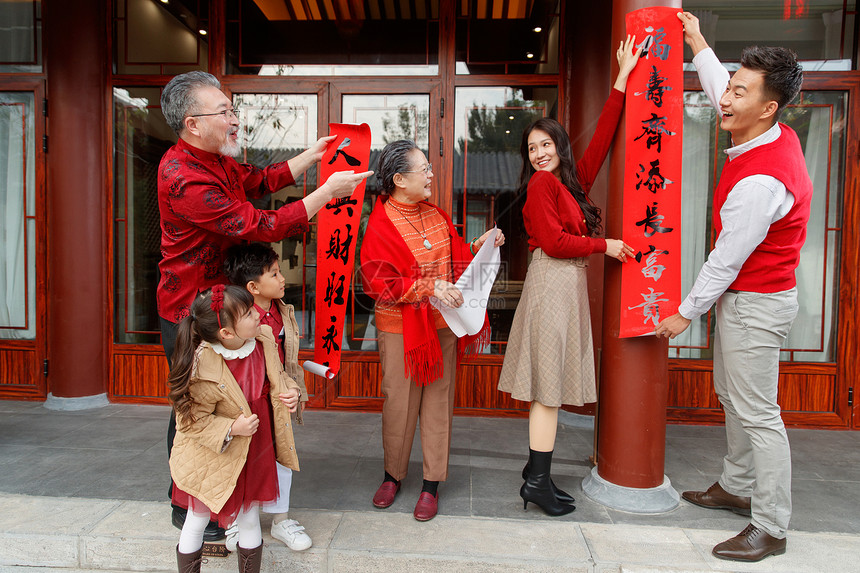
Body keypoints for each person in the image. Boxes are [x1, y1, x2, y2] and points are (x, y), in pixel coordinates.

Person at [157, 70, 371, 538]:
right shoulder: (183, 177)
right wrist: (328, 192)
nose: (235, 119)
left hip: (228, 304)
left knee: (233, 402)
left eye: (233, 109)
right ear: (193, 123)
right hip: (191, 310)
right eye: (225, 111)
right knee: (193, 410)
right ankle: (188, 505)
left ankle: (224, 498)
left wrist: (312, 157)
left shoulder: (217, 158)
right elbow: (260, 224)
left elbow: (261, 179)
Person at [654, 13, 810, 563]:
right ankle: (737, 486)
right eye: (733, 86)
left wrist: (683, 313)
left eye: (741, 93)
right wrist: (698, 42)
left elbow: (725, 261)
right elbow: (722, 87)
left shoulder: (761, 181)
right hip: (746, 301)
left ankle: (770, 524)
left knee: (758, 412)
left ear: (767, 107)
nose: (726, 99)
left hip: (755, 304)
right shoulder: (763, 127)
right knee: (734, 399)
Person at [496, 36, 641, 516]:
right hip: (553, 280)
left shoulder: (566, 183)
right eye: (531, 148)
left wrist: (620, 80)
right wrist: (607, 245)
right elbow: (556, 243)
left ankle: (536, 476)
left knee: (550, 388)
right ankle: (537, 482)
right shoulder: (541, 184)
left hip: (564, 283)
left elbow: (599, 140)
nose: (538, 154)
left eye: (545, 144)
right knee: (548, 390)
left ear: (558, 144)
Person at [359, 140, 505, 521]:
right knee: (399, 405)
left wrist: (481, 244)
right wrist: (427, 286)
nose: (431, 175)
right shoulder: (380, 223)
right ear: (399, 179)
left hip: (442, 326)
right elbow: (378, 281)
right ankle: (393, 475)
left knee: (438, 404)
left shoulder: (436, 215)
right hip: (401, 330)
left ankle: (431, 484)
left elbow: (456, 258)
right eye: (423, 169)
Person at [168, 285, 301, 573]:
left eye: (254, 309)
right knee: (198, 517)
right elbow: (191, 419)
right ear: (227, 333)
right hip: (213, 454)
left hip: (254, 444)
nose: (259, 316)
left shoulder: (263, 338)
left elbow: (278, 376)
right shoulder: (201, 364)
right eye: (250, 314)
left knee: (249, 516)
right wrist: (231, 427)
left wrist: (291, 391)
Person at [223, 242, 311, 552]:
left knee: (281, 457)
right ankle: (234, 519)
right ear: (252, 287)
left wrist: (294, 390)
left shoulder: (282, 311)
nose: (282, 278)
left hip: (277, 400)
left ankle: (280, 519)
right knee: (241, 459)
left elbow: (286, 361)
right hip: (244, 405)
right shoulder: (237, 319)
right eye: (274, 273)